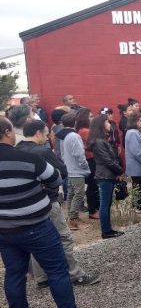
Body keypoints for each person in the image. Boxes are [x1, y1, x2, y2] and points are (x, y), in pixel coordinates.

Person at [0, 117, 103, 308]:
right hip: (36, 225)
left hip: (5, 231)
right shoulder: (28, 158)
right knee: (57, 271)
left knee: (14, 275)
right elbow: (55, 178)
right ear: (8, 132)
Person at [17, 120, 101, 285]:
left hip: (28, 204)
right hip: (48, 200)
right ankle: (75, 274)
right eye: (46, 133)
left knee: (35, 241)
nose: (48, 137)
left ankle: (41, 277)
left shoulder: (17, 150)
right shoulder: (42, 152)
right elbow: (61, 172)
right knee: (64, 237)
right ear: (38, 133)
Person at [89, 115, 126, 239]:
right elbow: (108, 161)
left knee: (107, 203)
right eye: (106, 122)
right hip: (105, 176)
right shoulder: (99, 142)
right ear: (101, 125)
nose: (109, 124)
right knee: (105, 204)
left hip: (108, 175)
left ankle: (108, 229)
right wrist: (120, 171)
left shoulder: (103, 140)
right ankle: (106, 231)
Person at [58, 112, 91, 230]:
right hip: (77, 170)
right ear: (75, 122)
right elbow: (79, 154)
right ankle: (73, 219)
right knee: (79, 193)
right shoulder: (74, 136)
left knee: (72, 193)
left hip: (70, 168)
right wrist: (85, 166)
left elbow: (62, 154)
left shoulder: (64, 136)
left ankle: (71, 216)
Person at [75, 108, 100, 220]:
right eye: (90, 116)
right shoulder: (85, 131)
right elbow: (95, 145)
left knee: (93, 185)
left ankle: (94, 208)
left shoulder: (82, 130)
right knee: (92, 185)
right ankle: (92, 210)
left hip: (91, 159)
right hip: (90, 160)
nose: (92, 118)